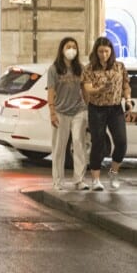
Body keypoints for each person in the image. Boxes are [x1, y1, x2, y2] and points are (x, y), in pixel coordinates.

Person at [82, 36, 132, 191]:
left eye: (106, 51)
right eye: (100, 51)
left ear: (111, 51)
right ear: (96, 52)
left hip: (115, 108)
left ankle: (113, 172)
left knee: (122, 143)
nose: (103, 54)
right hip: (96, 108)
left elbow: (126, 86)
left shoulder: (119, 66)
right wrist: (100, 90)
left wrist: (128, 100)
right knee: (98, 144)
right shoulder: (89, 68)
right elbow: (87, 88)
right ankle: (95, 180)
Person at [47, 37, 89, 191]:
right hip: (60, 112)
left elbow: (84, 90)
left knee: (79, 144)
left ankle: (79, 179)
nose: (72, 49)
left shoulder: (80, 68)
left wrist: (88, 109)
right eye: (68, 46)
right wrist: (52, 112)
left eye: (74, 47)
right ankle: (58, 181)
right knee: (59, 146)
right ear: (62, 49)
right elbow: (51, 92)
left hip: (79, 110)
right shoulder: (54, 69)